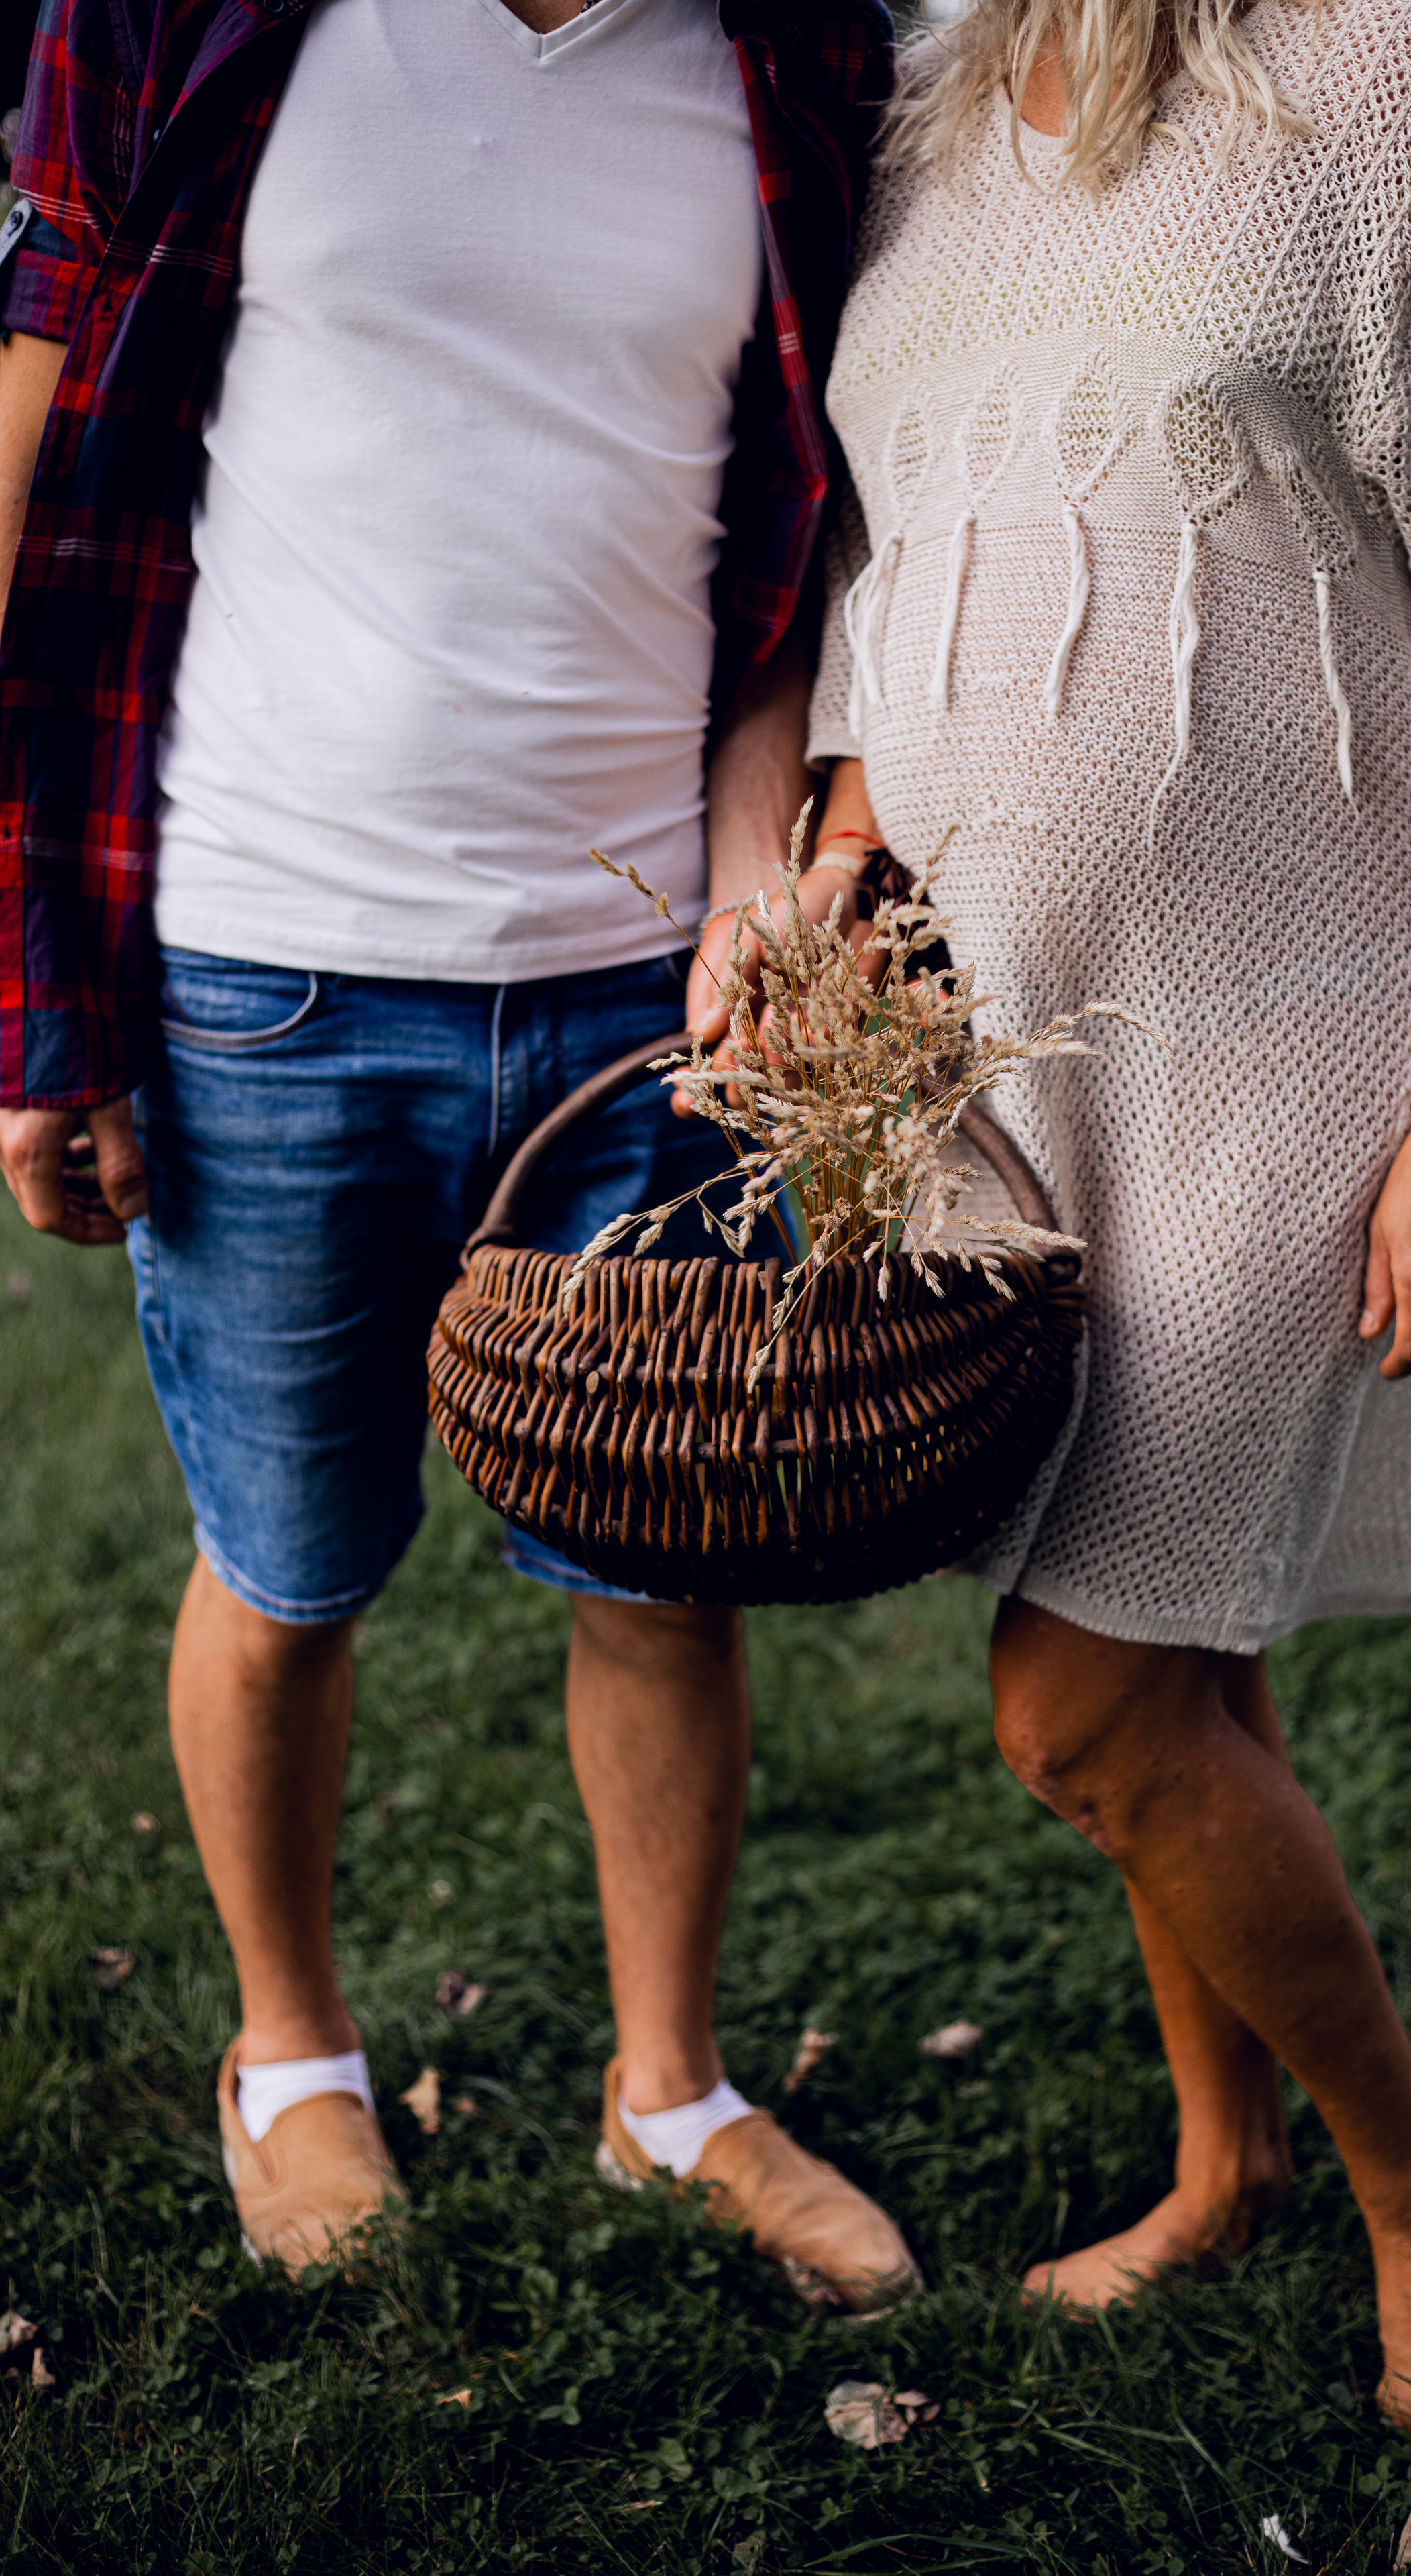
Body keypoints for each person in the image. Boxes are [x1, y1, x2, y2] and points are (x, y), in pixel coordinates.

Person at [778, 0, 1411, 2422]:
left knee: (1081, 1705)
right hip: (1002, 1053)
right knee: (1185, 1672)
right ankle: (1229, 2168)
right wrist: (840, 852)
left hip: (1283, 1045)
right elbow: (895, 549)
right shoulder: (940, 98)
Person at [0, 0, 919, 2314]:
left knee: (660, 1564)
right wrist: (38, 997)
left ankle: (671, 2090)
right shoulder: (170, 22)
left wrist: (748, 880)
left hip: (646, 1007)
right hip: (268, 970)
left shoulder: (799, 49)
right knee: (287, 1566)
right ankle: (291, 2056)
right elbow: (32, 495)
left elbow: (800, 533)